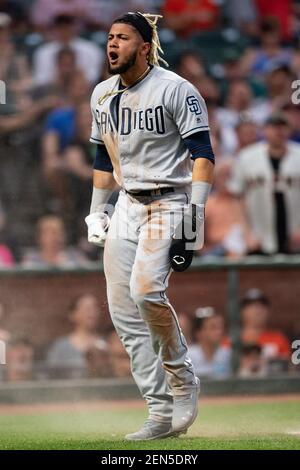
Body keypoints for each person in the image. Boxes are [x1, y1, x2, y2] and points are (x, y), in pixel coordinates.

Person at [85, 12, 215, 440]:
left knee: (145, 291)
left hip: (168, 201)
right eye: (109, 37)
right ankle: (159, 411)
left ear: (144, 46)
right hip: (125, 204)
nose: (112, 44)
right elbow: (104, 160)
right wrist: (97, 210)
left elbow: (202, 153)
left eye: (122, 37)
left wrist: (195, 212)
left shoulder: (176, 88)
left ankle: (183, 382)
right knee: (123, 311)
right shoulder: (102, 94)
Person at [229, 113, 300, 254]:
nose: (278, 131)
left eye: (282, 127)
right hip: (259, 238)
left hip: (294, 236)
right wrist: (246, 232)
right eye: (274, 127)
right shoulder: (246, 156)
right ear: (264, 130)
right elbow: (237, 199)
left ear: (289, 130)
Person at [47, 293, 107, 378]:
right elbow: (52, 375)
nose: (92, 312)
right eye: (87, 309)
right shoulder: (61, 347)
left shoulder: (107, 343)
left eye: (95, 308)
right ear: (73, 314)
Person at [240, 288, 290, 361]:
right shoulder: (231, 341)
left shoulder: (279, 339)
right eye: (251, 306)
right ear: (242, 311)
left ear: (268, 311)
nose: (257, 309)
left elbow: (289, 368)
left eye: (261, 305)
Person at [22, 215, 90, 268]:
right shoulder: (31, 260)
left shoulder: (75, 257)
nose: (55, 237)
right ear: (40, 236)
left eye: (58, 232)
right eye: (51, 233)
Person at [188, 307, 232, 378]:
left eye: (220, 327)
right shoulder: (188, 356)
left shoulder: (228, 354)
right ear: (199, 332)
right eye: (213, 327)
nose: (219, 332)